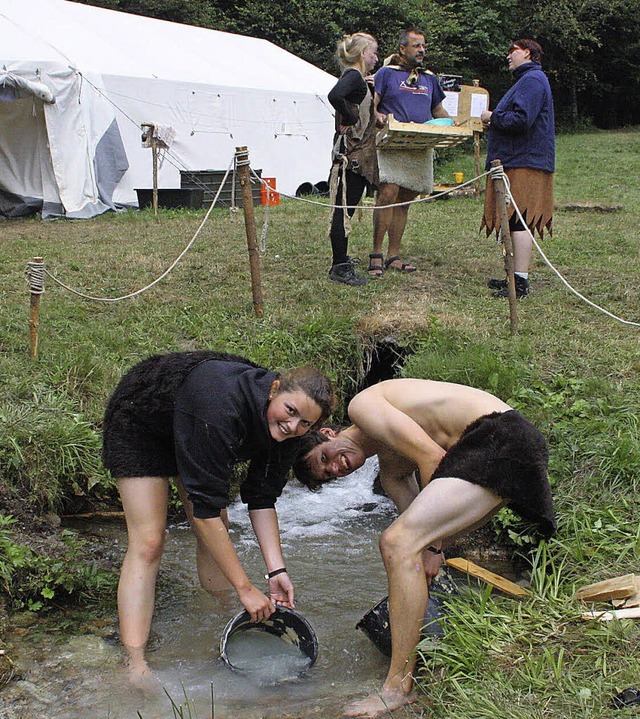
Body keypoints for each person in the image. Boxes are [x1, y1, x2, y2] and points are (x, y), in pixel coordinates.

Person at [293, 379, 555, 718]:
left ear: (328, 433)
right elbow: (413, 511)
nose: (335, 467)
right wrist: (427, 553)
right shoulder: (390, 467)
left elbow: (433, 457)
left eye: (325, 457)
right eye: (328, 474)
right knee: (404, 546)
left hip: (497, 436)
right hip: (506, 445)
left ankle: (396, 689)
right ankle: (424, 653)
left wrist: (432, 548)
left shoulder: (362, 405)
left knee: (395, 542)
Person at [102, 350, 336, 689]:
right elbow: (204, 511)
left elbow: (261, 498)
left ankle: (220, 612)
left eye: (305, 423)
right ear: (274, 389)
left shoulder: (293, 433)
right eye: (290, 411)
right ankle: (135, 663)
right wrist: (246, 588)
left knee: (218, 528)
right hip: (143, 422)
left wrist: (277, 571)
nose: (292, 425)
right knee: (150, 541)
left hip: (192, 425)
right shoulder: (220, 409)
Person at [369, 29, 450, 277]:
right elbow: (372, 106)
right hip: (392, 143)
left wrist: (457, 125)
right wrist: (378, 117)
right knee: (388, 194)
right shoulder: (386, 74)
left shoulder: (429, 78)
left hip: (419, 145)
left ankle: (394, 255)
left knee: (405, 200)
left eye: (423, 46)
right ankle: (376, 254)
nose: (421, 50)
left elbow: (439, 111)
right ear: (403, 49)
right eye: (416, 46)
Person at [481, 39, 555, 299]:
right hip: (519, 158)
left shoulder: (533, 80)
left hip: (526, 161)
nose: (508, 56)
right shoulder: (527, 80)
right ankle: (512, 277)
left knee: (519, 219)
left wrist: (492, 118)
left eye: (512, 51)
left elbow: (522, 120)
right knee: (512, 220)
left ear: (528, 53)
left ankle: (520, 284)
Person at [327, 32, 380, 287]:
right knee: (343, 211)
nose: (376, 58)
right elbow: (335, 96)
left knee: (344, 209)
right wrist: (349, 118)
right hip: (353, 155)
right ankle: (340, 266)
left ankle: (341, 262)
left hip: (354, 153)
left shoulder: (359, 80)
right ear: (362, 54)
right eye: (373, 53)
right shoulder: (353, 77)